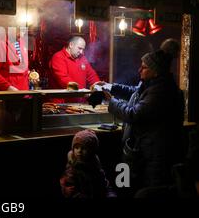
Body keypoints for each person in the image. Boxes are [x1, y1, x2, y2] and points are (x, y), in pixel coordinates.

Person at [100, 44, 184, 195]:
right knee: (125, 183)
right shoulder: (149, 85)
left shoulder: (161, 91)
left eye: (144, 67)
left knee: (147, 190)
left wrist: (112, 102)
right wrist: (110, 86)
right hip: (137, 150)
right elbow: (133, 91)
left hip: (155, 154)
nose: (139, 70)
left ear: (156, 72)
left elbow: (133, 114)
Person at [60, 129, 116, 198]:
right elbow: (70, 191)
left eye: (83, 148)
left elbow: (104, 185)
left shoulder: (96, 166)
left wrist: (110, 194)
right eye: (76, 147)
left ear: (92, 151)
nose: (79, 151)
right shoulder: (72, 169)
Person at [48, 36, 100, 102]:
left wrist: (99, 85)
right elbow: (63, 78)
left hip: (79, 101)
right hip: (61, 103)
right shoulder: (58, 57)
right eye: (79, 48)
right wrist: (81, 90)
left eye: (83, 49)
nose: (81, 52)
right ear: (71, 45)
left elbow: (91, 75)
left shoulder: (82, 58)